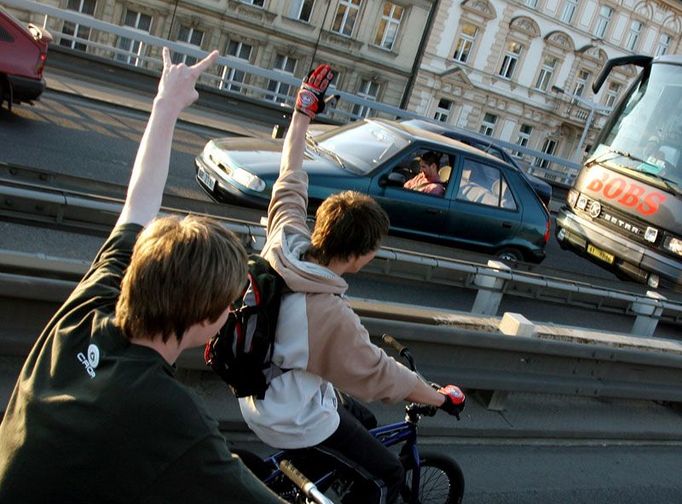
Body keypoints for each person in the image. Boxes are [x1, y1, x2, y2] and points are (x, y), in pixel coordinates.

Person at [0, 47, 283, 504]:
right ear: (203, 317)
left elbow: (138, 203)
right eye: (231, 306)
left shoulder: (88, 309)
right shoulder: (169, 415)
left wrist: (166, 104)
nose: (232, 314)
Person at [238, 64, 465, 504]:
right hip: (290, 416)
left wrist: (304, 111)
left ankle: (320, 473)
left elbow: (290, 173)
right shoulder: (327, 314)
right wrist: (438, 397)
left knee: (360, 418)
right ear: (360, 256)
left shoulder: (284, 241)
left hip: (266, 390)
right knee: (385, 477)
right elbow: (381, 374)